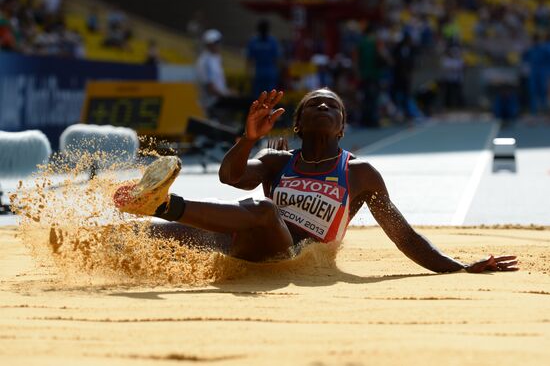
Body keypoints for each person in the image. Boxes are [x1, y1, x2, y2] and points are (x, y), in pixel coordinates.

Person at [113, 88, 518, 273]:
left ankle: (165, 201)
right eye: (314, 105)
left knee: (263, 209)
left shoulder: (360, 174)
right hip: (239, 244)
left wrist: (461, 268)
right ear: (299, 124)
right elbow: (231, 177)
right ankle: (88, 235)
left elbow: (405, 237)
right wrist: (249, 139)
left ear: (342, 127)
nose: (323, 106)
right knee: (150, 235)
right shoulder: (275, 160)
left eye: (333, 106)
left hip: (288, 255)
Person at [196, 28, 250, 129]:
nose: (218, 45)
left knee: (247, 99)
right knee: (249, 103)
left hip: (219, 96)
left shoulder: (215, 58)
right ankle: (244, 133)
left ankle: (242, 131)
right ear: (209, 44)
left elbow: (218, 85)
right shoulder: (205, 61)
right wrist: (227, 94)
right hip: (213, 100)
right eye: (215, 42)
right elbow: (211, 88)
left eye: (218, 42)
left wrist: (229, 92)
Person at [246, 19, 281, 97]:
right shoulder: (273, 41)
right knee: (270, 97)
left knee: (258, 96)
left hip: (258, 73)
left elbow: (249, 60)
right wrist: (278, 73)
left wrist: (248, 74)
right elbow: (277, 59)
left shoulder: (254, 41)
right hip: (270, 73)